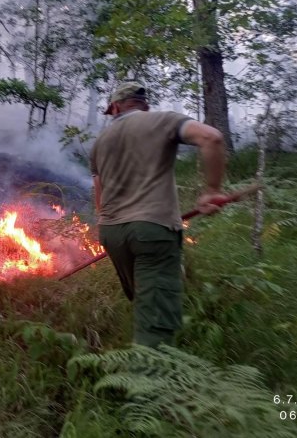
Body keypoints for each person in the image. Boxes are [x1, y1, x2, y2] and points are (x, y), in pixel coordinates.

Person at [89, 81, 228, 348]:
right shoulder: (163, 120)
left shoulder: (99, 143)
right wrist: (212, 190)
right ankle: (151, 370)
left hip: (112, 233)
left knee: (144, 299)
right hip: (152, 230)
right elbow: (212, 137)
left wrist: (106, 224)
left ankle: (144, 353)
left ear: (115, 107)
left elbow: (99, 193)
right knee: (155, 318)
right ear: (144, 105)